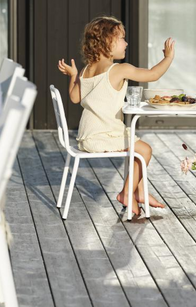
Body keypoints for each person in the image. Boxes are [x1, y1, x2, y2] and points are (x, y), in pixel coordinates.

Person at [58, 16, 172, 217]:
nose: (126, 43)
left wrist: (74, 76)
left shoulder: (87, 69)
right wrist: (168, 58)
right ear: (106, 43)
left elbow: (75, 97)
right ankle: (127, 193)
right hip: (104, 134)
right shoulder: (119, 70)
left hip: (87, 136)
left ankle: (140, 192)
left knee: (136, 147)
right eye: (121, 38)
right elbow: (153, 75)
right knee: (144, 150)